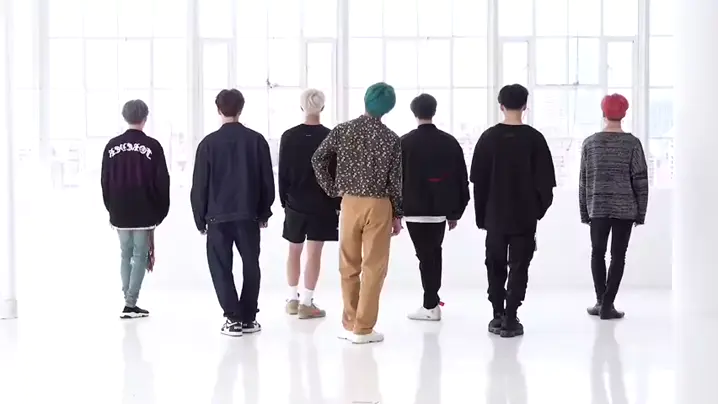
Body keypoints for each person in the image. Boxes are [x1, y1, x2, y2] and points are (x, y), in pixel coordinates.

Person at [312, 82, 403, 344]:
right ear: (388, 108)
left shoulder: (343, 130)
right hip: (380, 204)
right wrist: (397, 214)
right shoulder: (391, 139)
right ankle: (364, 328)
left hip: (350, 202)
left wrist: (333, 189)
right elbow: (395, 181)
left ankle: (350, 322)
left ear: (365, 100)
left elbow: (318, 158)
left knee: (348, 265)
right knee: (374, 267)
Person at [471, 84, 556, 338]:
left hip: (494, 216)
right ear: (525, 106)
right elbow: (546, 185)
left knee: (494, 265)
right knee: (519, 266)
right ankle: (511, 317)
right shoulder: (535, 139)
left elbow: (478, 182)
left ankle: (497, 313)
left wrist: (481, 216)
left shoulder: (487, 138)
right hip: (524, 218)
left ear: (501, 106)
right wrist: (536, 211)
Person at [190, 89, 275, 337]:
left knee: (220, 267)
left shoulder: (208, 144)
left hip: (216, 216)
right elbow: (267, 181)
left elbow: (199, 186)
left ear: (218, 109)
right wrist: (264, 212)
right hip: (248, 215)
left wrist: (200, 219)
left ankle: (232, 318)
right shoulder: (257, 141)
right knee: (251, 265)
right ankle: (248, 318)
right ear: (241, 109)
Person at [400, 93, 470, 321]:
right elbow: (461, 179)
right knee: (433, 254)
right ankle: (431, 302)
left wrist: (395, 212)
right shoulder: (449, 142)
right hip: (440, 212)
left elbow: (395, 180)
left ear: (414, 113)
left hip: (413, 211)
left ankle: (430, 305)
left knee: (426, 257)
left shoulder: (404, 143)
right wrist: (455, 212)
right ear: (434, 111)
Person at [579, 94, 648, 320]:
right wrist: (640, 212)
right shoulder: (632, 143)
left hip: (597, 207)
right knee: (618, 255)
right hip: (625, 209)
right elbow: (640, 180)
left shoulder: (590, 143)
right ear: (624, 114)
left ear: (603, 113)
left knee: (597, 253)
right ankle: (607, 304)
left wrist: (584, 211)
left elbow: (584, 180)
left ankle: (601, 302)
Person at [101, 99, 170, 319]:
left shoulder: (111, 146)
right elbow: (162, 181)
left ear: (125, 117)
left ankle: (127, 299)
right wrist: (160, 211)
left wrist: (111, 208)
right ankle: (130, 303)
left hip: (119, 209)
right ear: (145, 118)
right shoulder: (153, 146)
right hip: (144, 209)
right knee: (140, 255)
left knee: (125, 253)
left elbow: (105, 181)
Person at [278, 89, 341, 319]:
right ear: (322, 107)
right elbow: (336, 174)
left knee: (293, 250)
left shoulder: (288, 136)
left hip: (295, 202)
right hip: (322, 203)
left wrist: (284, 200)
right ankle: (307, 302)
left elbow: (283, 173)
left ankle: (292, 299)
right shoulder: (331, 136)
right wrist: (337, 203)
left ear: (302, 107)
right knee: (314, 253)